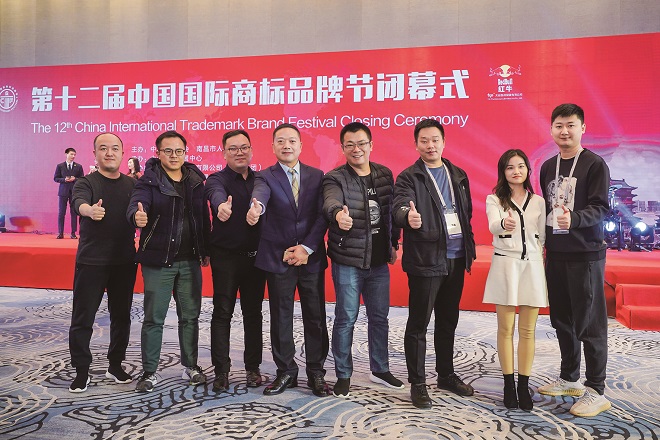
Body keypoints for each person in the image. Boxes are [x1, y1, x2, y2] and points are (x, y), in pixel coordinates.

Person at [393, 118, 476, 409]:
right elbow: (399, 206)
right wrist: (408, 217)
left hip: (456, 257)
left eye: (435, 140)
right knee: (419, 323)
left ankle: (446, 375)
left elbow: (465, 213)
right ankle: (418, 383)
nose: (430, 145)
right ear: (416, 144)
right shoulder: (409, 177)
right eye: (424, 141)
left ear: (443, 142)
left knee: (448, 321)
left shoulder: (458, 174)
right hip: (426, 259)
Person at [537, 103, 611, 417]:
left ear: (582, 128)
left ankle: (596, 389)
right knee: (562, 320)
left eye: (570, 125)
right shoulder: (547, 166)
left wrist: (575, 219)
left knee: (590, 324)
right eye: (559, 125)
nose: (564, 131)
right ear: (551, 129)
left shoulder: (594, 164)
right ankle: (569, 378)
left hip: (586, 255)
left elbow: (601, 207)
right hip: (556, 254)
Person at [246, 123, 330, 397]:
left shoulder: (317, 176)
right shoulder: (264, 176)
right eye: (281, 141)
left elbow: (322, 216)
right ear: (272, 146)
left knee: (315, 316)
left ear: (301, 146)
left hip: (310, 258)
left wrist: (306, 248)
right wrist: (256, 208)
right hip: (278, 257)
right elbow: (261, 196)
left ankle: (316, 372)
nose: (286, 146)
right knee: (281, 316)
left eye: (292, 141)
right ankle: (286, 371)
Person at [322, 122, 403, 397]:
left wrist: (393, 243)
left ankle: (380, 369)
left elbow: (390, 212)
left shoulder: (384, 174)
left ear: (371, 145)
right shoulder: (335, 178)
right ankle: (343, 374)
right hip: (348, 259)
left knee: (380, 317)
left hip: (379, 261)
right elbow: (330, 201)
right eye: (350, 145)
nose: (356, 149)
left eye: (361, 144)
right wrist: (338, 215)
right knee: (346, 318)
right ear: (343, 148)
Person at [126, 130, 210, 393]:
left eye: (179, 151)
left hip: (190, 261)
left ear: (185, 153)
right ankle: (149, 371)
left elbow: (202, 219)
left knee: (190, 317)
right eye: (168, 151)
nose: (174, 156)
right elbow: (137, 205)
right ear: (158, 153)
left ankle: (191, 366)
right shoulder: (148, 181)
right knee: (154, 318)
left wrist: (205, 249)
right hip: (158, 260)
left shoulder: (195, 180)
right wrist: (136, 216)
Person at [68, 133, 138, 392]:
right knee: (83, 317)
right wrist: (89, 210)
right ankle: (81, 370)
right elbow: (78, 202)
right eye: (103, 148)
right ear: (95, 154)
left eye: (115, 148)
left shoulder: (132, 185)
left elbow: (143, 209)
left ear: (122, 153)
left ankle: (115, 365)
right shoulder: (86, 182)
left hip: (124, 261)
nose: (110, 153)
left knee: (121, 316)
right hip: (91, 261)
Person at [482, 149, 547, 410]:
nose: (516, 171)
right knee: (506, 329)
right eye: (510, 167)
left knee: (528, 331)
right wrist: (503, 225)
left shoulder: (539, 201)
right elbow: (493, 225)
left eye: (520, 166)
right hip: (505, 265)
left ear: (528, 171)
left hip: (532, 266)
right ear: (503, 171)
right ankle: (509, 385)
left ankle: (523, 385)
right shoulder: (494, 199)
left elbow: (542, 237)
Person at [205, 129, 266, 392]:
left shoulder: (261, 180)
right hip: (226, 258)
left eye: (244, 147)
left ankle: (253, 368)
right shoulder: (216, 179)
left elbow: (264, 199)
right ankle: (221, 370)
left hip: (255, 259)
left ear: (251, 150)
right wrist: (221, 206)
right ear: (224, 153)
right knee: (222, 313)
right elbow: (215, 194)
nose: (239, 152)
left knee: (253, 314)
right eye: (233, 148)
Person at [54, 147, 85, 239]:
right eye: (71, 154)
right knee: (61, 213)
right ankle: (60, 233)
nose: (73, 156)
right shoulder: (60, 166)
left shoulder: (78, 166)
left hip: (74, 192)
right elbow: (56, 178)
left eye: (74, 155)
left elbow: (82, 179)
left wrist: (75, 179)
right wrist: (64, 179)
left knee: (74, 213)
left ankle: (73, 233)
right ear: (66, 154)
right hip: (63, 192)